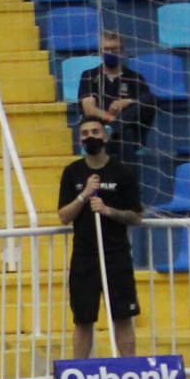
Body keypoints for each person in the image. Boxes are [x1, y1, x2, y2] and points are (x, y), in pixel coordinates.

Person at [56, 115, 144, 359]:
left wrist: (108, 211)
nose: (90, 137)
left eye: (95, 132)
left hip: (116, 254)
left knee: (122, 317)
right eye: (84, 133)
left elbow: (136, 216)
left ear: (105, 135)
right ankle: (79, 375)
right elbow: (63, 215)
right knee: (83, 319)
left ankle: (130, 373)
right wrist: (84, 195)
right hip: (84, 257)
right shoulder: (72, 172)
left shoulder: (122, 172)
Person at [76, 30, 158, 161]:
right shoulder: (89, 75)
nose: (110, 53)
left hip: (131, 137)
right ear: (100, 52)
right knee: (121, 131)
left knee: (149, 99)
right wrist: (111, 118)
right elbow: (89, 109)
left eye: (114, 49)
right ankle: (115, 128)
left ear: (123, 52)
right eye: (106, 49)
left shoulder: (135, 78)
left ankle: (117, 129)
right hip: (99, 134)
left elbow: (147, 104)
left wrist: (128, 101)